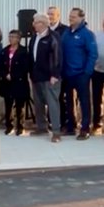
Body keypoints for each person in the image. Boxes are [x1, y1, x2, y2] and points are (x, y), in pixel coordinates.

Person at [59, 8, 97, 139]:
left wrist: (87, 72)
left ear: (81, 18)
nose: (71, 19)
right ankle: (71, 126)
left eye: (74, 17)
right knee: (68, 101)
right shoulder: (66, 33)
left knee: (84, 102)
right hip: (67, 74)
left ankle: (85, 128)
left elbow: (93, 54)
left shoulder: (87, 34)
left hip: (81, 74)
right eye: (70, 16)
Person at [29, 13, 63, 143]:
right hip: (36, 76)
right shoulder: (34, 38)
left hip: (50, 77)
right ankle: (42, 127)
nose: (33, 24)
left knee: (52, 103)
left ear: (42, 24)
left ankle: (56, 132)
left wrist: (55, 74)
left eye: (35, 22)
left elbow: (58, 56)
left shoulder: (53, 37)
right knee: (38, 103)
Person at [0, 29, 31, 136]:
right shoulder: (5, 50)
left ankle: (20, 126)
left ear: (18, 39)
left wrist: (13, 75)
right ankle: (9, 125)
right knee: (8, 104)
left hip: (19, 82)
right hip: (7, 82)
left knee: (19, 105)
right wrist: (5, 75)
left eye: (13, 37)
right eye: (10, 36)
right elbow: (1, 66)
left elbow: (25, 67)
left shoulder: (23, 51)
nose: (11, 39)